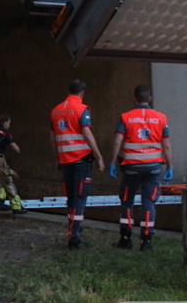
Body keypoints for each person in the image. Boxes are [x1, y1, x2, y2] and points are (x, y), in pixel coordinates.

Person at [107, 85, 174, 251]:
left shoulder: (126, 117)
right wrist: (170, 166)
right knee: (149, 202)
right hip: (153, 168)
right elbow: (166, 145)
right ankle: (147, 241)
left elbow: (117, 141)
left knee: (127, 201)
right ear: (149, 99)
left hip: (132, 167)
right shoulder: (161, 118)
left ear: (134, 99)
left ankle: (126, 238)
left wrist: (112, 162)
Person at [50, 80, 105, 250]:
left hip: (66, 162)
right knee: (80, 199)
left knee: (71, 199)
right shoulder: (82, 109)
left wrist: (58, 158)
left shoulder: (56, 110)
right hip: (81, 161)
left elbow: (52, 138)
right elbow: (87, 134)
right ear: (82, 93)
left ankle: (72, 235)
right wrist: (98, 155)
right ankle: (75, 239)